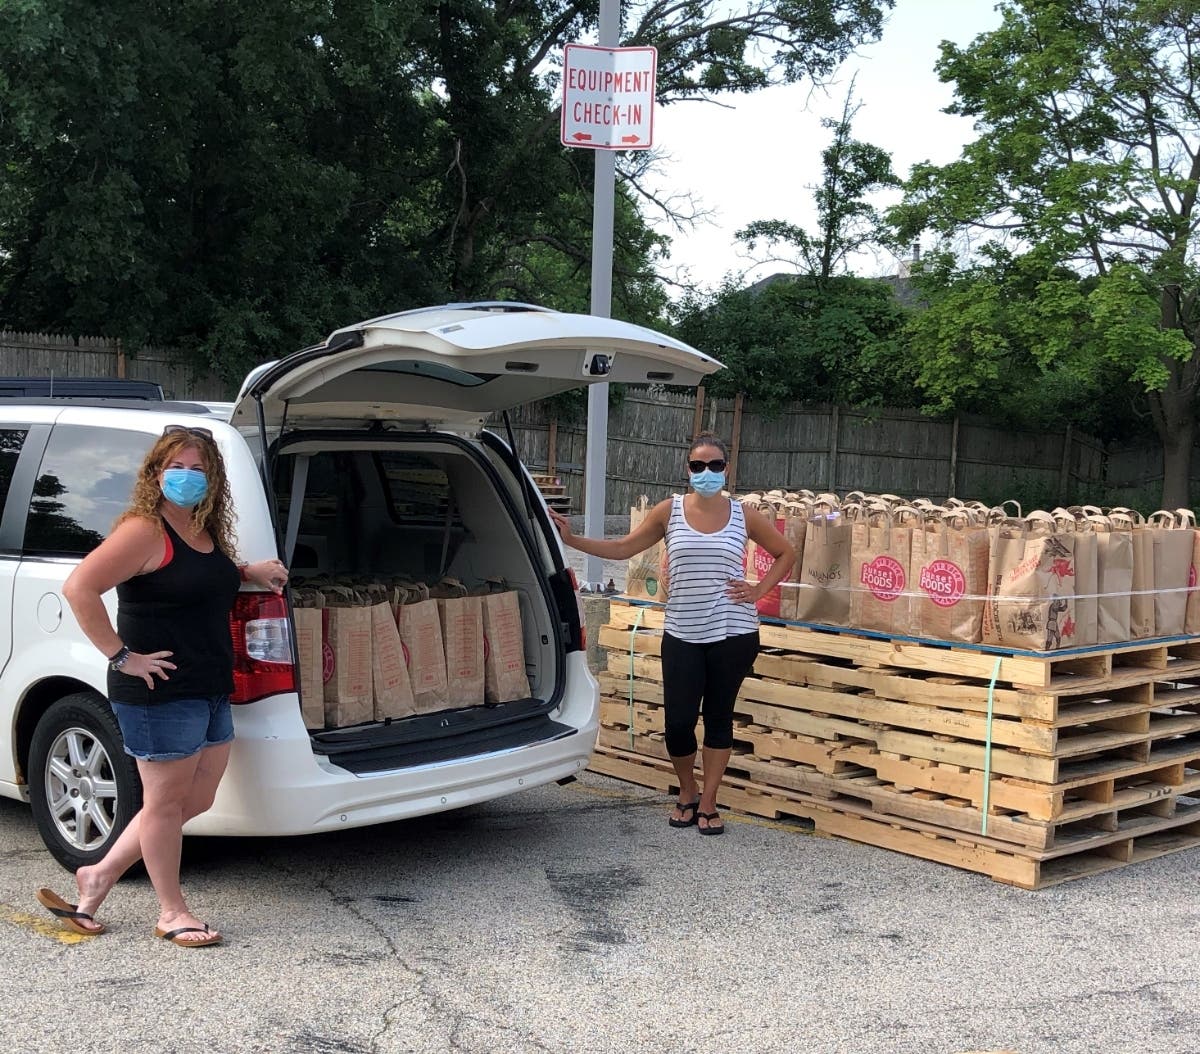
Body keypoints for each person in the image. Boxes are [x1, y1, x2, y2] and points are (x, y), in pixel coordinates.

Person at [37, 424, 288, 946]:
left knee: (192, 798)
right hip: (160, 692)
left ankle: (98, 874)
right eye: (177, 467)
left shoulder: (201, 530)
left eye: (199, 470)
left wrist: (246, 569)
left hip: (210, 684)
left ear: (213, 480)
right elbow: (79, 586)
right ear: (156, 474)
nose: (188, 478)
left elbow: (195, 577)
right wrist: (121, 656)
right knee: (166, 803)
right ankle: (172, 911)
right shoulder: (144, 529)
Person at [550, 432, 794, 835]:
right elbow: (625, 548)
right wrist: (573, 540)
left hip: (732, 632)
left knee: (718, 717)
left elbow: (786, 552)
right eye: (698, 466)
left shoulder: (742, 514)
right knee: (678, 723)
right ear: (688, 470)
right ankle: (688, 789)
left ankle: (709, 802)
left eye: (715, 465)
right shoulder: (670, 511)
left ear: (727, 469)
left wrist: (758, 590)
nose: (707, 473)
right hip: (682, 631)